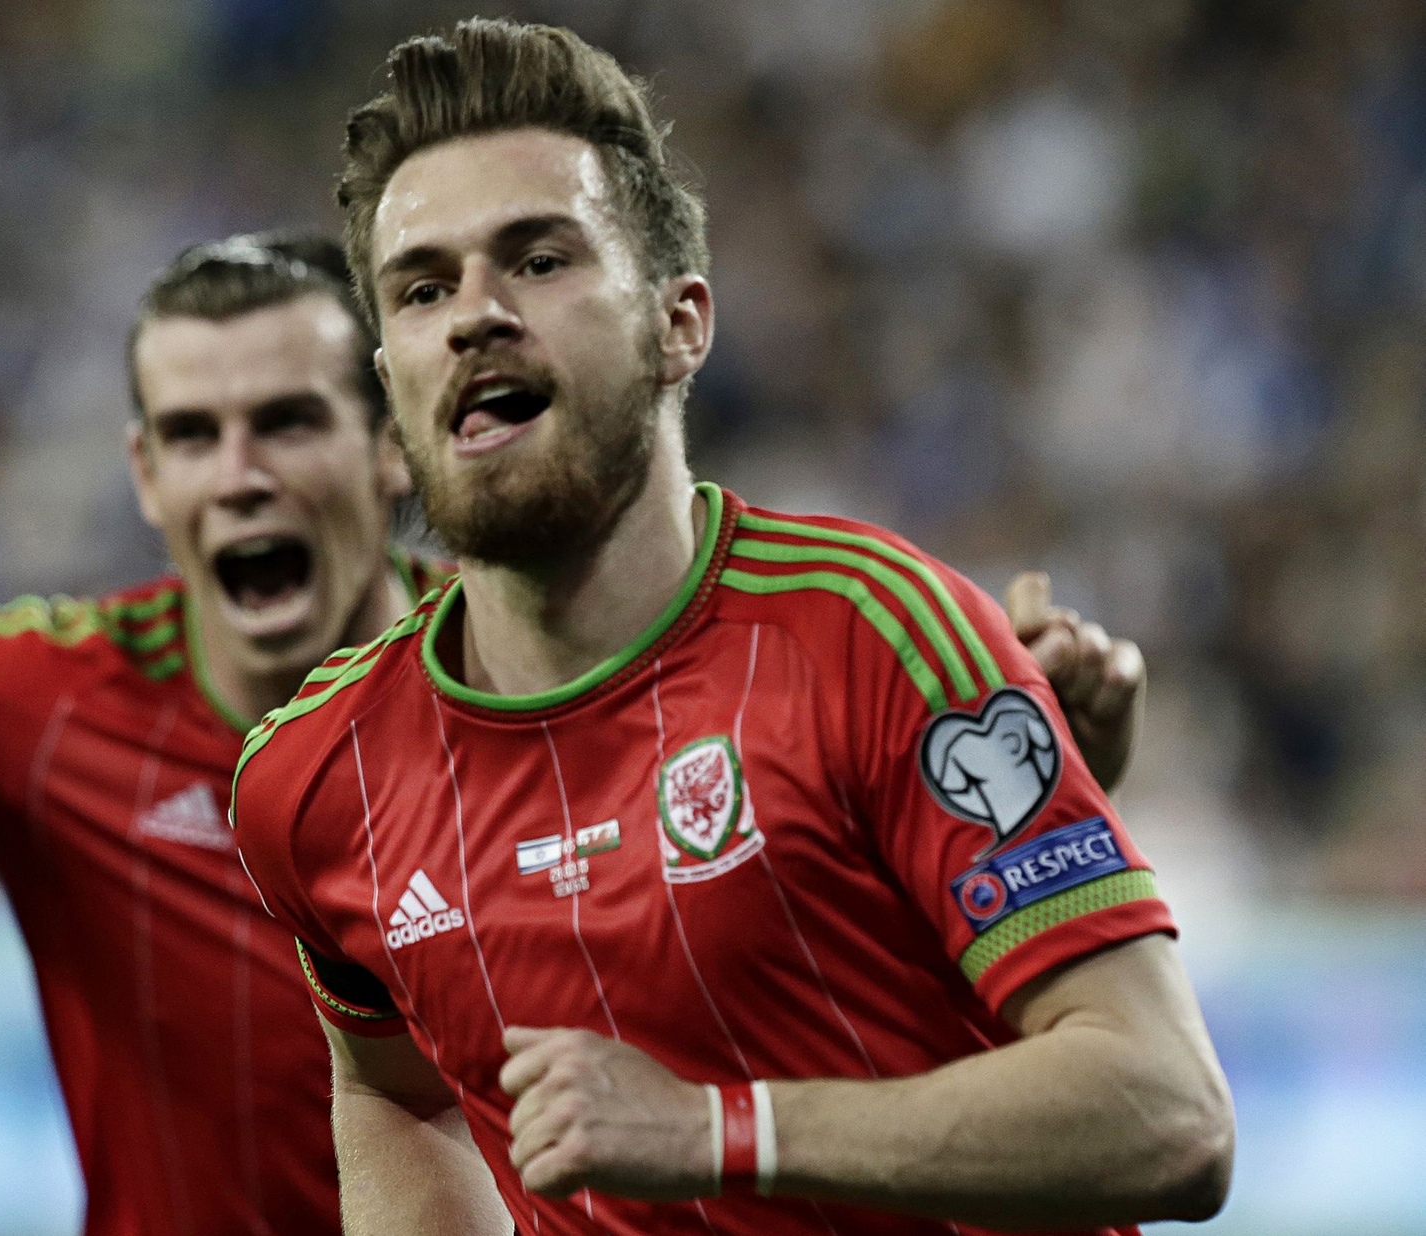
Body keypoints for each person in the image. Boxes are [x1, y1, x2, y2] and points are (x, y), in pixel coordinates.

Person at [0, 232, 1141, 1232]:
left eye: (286, 420)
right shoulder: (21, 700)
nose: (239, 471)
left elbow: (824, 916)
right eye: (191, 433)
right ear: (142, 475)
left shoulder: (561, 682)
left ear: (393, 443)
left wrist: (1008, 768)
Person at [229, 21, 1230, 1236]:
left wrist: (714, 1130)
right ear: (387, 378)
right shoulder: (311, 779)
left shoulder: (872, 636)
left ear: (679, 323)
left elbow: (1169, 1116)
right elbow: (388, 1090)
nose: (473, 316)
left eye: (538, 259)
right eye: (423, 287)